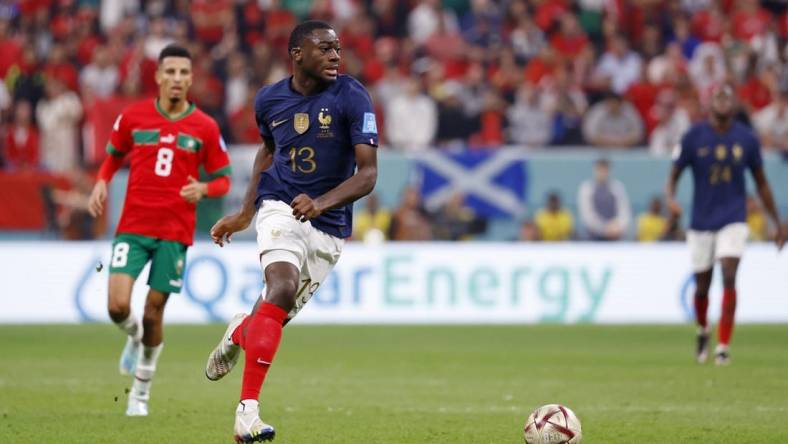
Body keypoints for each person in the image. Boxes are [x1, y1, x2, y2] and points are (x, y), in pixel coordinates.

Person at [204, 21, 378, 443]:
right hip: (280, 205)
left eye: (338, 49)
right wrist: (247, 212)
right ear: (297, 54)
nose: (336, 56)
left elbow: (368, 174)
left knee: (271, 320)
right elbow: (268, 151)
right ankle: (247, 413)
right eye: (324, 49)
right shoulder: (268, 99)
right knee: (280, 286)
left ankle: (239, 331)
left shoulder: (353, 96)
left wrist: (320, 203)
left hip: (329, 227)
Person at [86, 45, 232, 416]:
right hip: (133, 225)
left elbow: (224, 180)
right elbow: (113, 155)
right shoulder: (134, 117)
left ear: (191, 78)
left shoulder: (205, 126)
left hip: (175, 231)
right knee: (117, 306)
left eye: (184, 73)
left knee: (154, 312)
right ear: (158, 76)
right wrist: (101, 182)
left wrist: (203, 188)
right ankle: (134, 339)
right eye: (171, 72)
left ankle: (140, 394)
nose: (177, 80)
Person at [666, 84, 783, 366]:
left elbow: (762, 182)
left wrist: (777, 221)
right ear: (710, 103)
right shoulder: (694, 136)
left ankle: (723, 346)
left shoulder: (747, 139)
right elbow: (674, 173)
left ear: (733, 104)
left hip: (733, 218)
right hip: (701, 220)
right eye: (718, 96)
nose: (722, 101)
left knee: (729, 275)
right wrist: (670, 199)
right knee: (702, 286)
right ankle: (703, 329)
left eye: (727, 97)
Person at [577, 159, 632, 240]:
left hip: (615, 236)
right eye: (600, 169)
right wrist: (604, 229)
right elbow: (587, 216)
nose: (602, 173)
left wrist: (618, 226)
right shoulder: (587, 188)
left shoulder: (617, 187)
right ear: (595, 170)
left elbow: (624, 212)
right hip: (593, 239)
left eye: (605, 170)